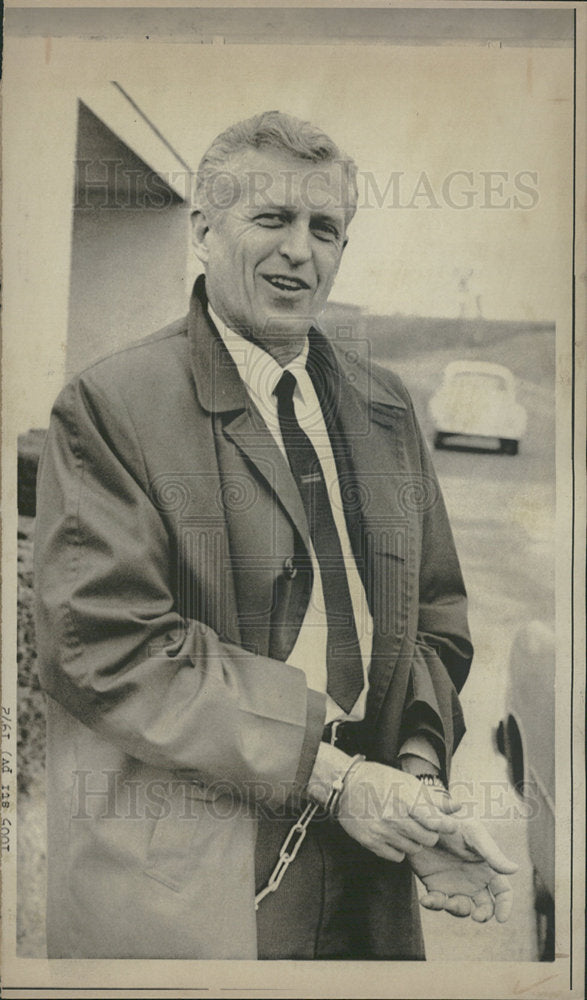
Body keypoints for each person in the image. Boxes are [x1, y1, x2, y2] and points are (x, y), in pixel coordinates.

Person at [34, 110, 517, 960]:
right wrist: (334, 779)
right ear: (203, 230)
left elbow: (434, 617)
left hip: (369, 866)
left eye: (324, 227)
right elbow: (106, 646)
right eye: (271, 219)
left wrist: (413, 783)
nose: (301, 250)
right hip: (199, 869)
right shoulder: (112, 406)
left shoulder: (385, 406)